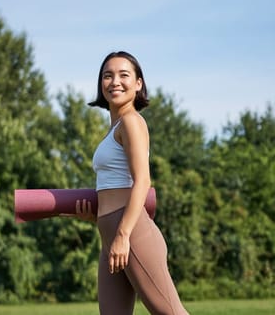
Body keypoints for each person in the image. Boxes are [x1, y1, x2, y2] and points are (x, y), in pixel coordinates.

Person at [63, 51, 188, 315]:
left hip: (131, 234)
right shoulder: (114, 127)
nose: (114, 81)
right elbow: (114, 184)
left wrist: (122, 235)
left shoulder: (131, 121)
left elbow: (142, 180)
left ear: (139, 83)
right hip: (111, 233)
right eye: (107, 76)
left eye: (124, 75)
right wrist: (98, 218)